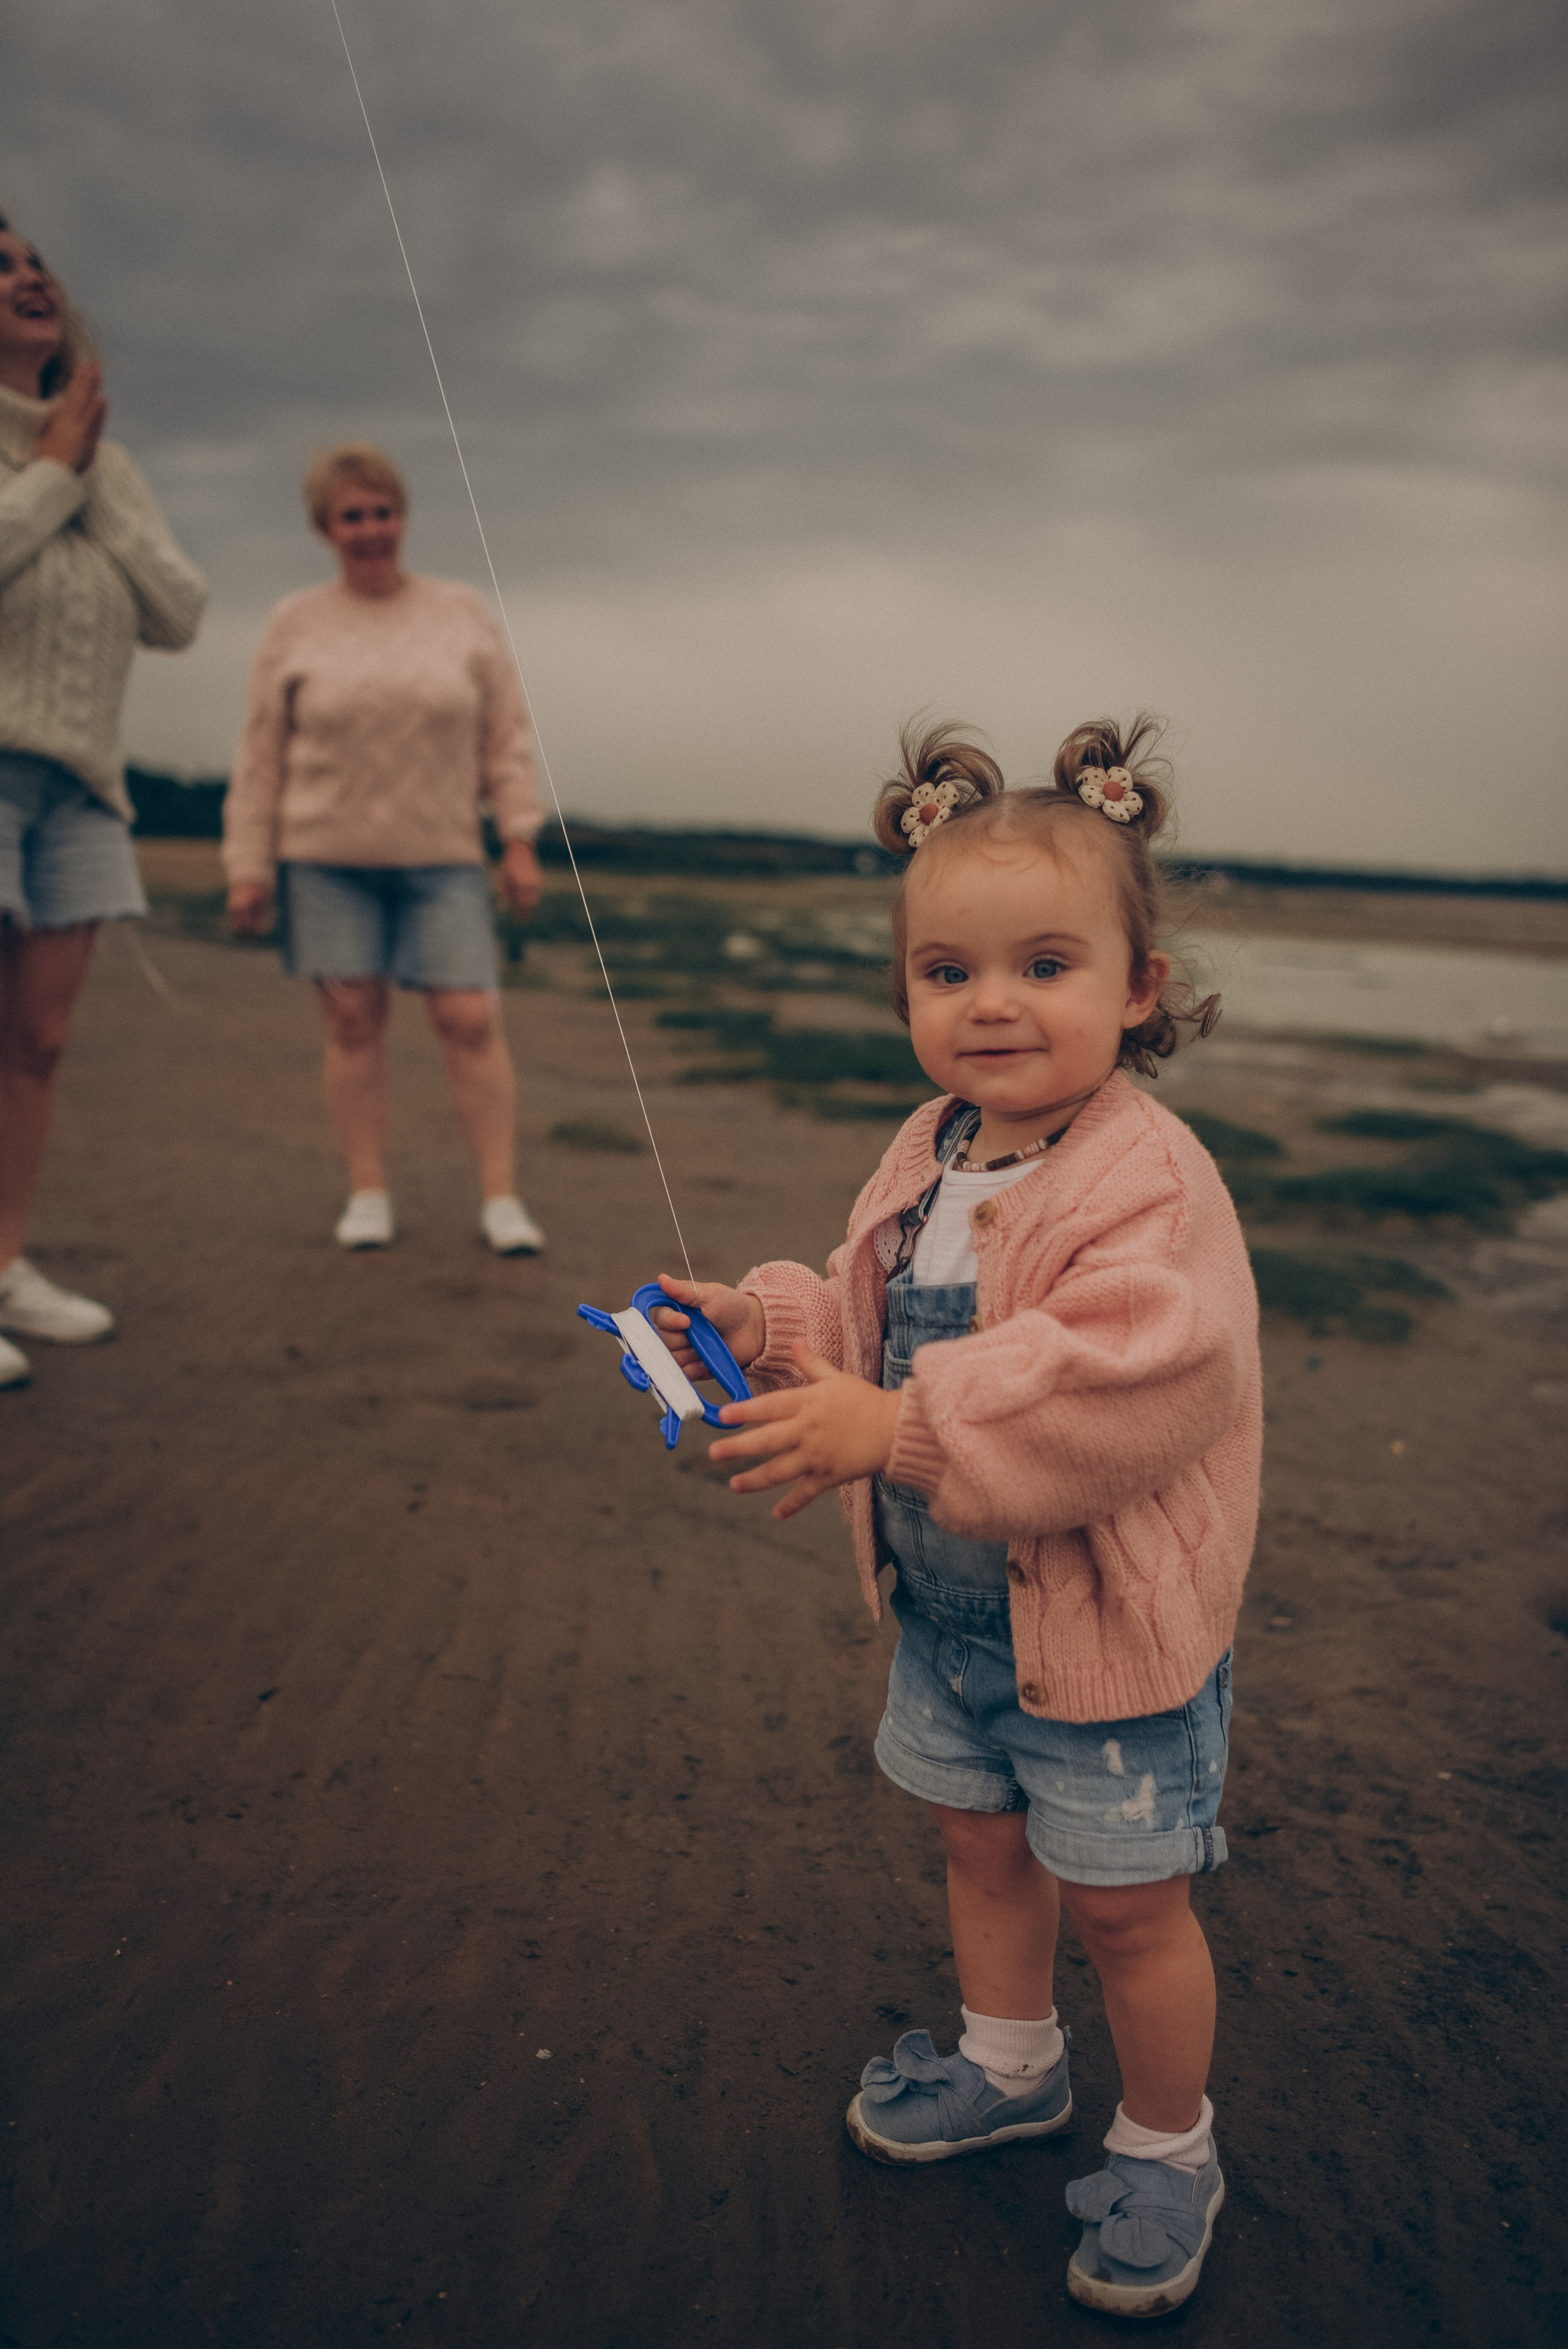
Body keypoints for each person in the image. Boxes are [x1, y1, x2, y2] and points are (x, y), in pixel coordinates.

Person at [653, 718, 1259, 2319]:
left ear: (1140, 984)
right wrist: (770, 1327)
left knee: (1131, 1907)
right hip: (950, 1612)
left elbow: (1123, 1380)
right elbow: (868, 1311)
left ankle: (1165, 2142)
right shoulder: (932, 1148)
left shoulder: (1149, 1180)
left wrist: (897, 1427)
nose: (989, 1002)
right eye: (945, 971)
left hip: (1110, 1632)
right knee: (982, 1851)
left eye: (1045, 962)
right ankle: (1010, 2064)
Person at [224, 443, 548, 1255]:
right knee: (355, 1022)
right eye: (350, 517)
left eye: (381, 512)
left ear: (401, 517)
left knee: (470, 1018)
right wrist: (248, 869)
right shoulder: (294, 622)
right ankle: (368, 1192)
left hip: (442, 857)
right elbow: (261, 752)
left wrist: (517, 838)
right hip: (326, 861)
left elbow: (505, 735)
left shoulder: (461, 611)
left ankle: (501, 1199)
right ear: (325, 529)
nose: (369, 529)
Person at [0, 216, 206, 1392]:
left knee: (37, 1042)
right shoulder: (56, 460)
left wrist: (83, 468)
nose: (27, 275)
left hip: (80, 786)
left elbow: (177, 610)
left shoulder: (98, 453)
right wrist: (48, 477)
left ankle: (7, 1261)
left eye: (34, 261)